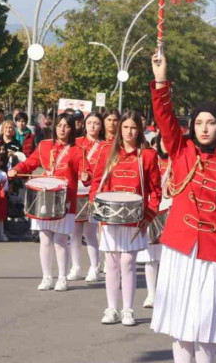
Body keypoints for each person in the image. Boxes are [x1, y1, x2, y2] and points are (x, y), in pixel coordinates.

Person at [149, 54, 216, 363]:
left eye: (210, 122)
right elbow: (164, 116)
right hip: (179, 250)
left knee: (206, 328)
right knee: (179, 326)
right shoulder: (181, 150)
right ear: (191, 126)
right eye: (198, 123)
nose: (204, 128)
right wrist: (160, 80)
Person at [90, 109, 161, 326]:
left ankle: (128, 310)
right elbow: (96, 184)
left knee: (128, 263)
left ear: (139, 130)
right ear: (120, 128)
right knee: (111, 264)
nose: (129, 132)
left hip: (134, 219)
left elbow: (155, 191)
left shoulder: (147, 155)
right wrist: (97, 204)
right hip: (111, 217)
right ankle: (112, 308)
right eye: (125, 127)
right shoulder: (107, 152)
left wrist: (148, 217)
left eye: (133, 128)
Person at [9, 113, 90, 292]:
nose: (62, 129)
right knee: (45, 238)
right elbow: (30, 163)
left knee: (60, 240)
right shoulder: (45, 145)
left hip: (65, 199)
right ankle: (47, 277)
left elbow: (87, 173)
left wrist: (86, 176)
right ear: (55, 127)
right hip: (44, 197)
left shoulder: (78, 150)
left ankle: (62, 277)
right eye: (59, 125)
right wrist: (16, 169)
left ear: (72, 129)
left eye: (66, 126)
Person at [69, 111, 106, 283]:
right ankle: (76, 267)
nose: (92, 126)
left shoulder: (105, 146)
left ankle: (94, 267)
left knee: (90, 232)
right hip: (76, 191)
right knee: (74, 232)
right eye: (89, 122)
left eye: (96, 123)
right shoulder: (76, 143)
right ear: (84, 124)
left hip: (94, 191)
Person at [139, 135, 170, 308]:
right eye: (162, 141)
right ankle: (151, 294)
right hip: (154, 210)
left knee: (168, 256)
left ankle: (165, 294)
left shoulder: (179, 161)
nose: (166, 144)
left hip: (173, 212)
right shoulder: (151, 159)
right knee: (151, 255)